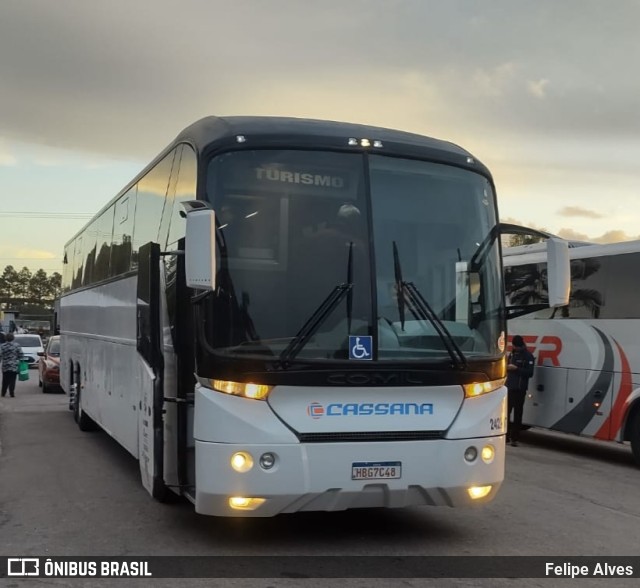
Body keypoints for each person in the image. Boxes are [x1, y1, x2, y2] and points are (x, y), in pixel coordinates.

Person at [505, 334, 535, 446]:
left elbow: (530, 373)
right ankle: (506, 436)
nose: (515, 348)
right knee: (506, 413)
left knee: (518, 414)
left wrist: (516, 368)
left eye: (516, 347)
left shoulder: (528, 356)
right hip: (510, 387)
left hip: (520, 389)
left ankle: (515, 438)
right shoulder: (512, 354)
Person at [1, 333, 23, 398]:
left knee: (5, 379)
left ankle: (3, 392)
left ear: (6, 338)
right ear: (13, 338)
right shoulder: (17, 346)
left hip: (5, 365)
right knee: (12, 380)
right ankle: (12, 393)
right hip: (14, 365)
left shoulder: (2, 346)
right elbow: (21, 355)